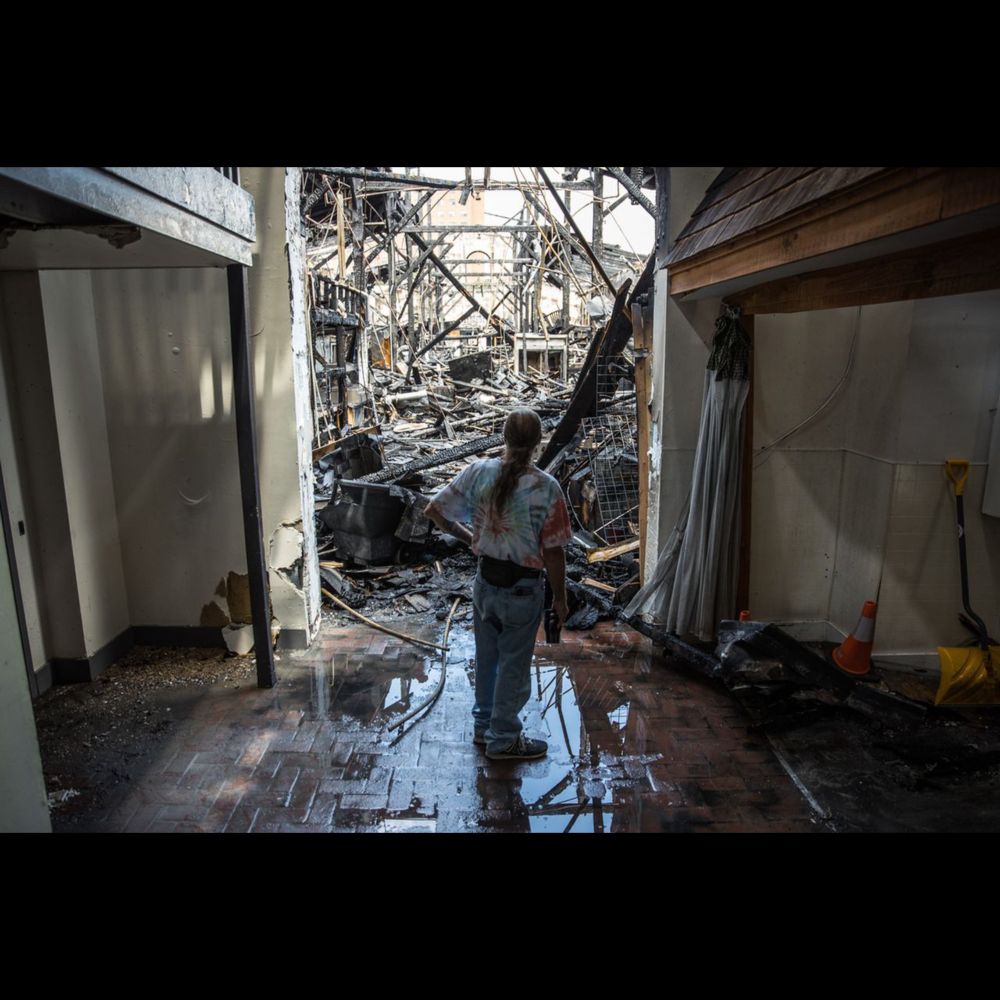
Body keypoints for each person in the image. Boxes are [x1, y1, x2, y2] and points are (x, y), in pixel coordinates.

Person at [424, 408, 572, 760]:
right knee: (514, 666)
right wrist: (561, 600)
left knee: (487, 657)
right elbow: (554, 554)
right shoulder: (546, 488)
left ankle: (483, 727)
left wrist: (469, 538)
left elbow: (434, 509)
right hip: (522, 589)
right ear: (538, 443)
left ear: (502, 437)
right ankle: (503, 738)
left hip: (485, 583)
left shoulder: (479, 473)